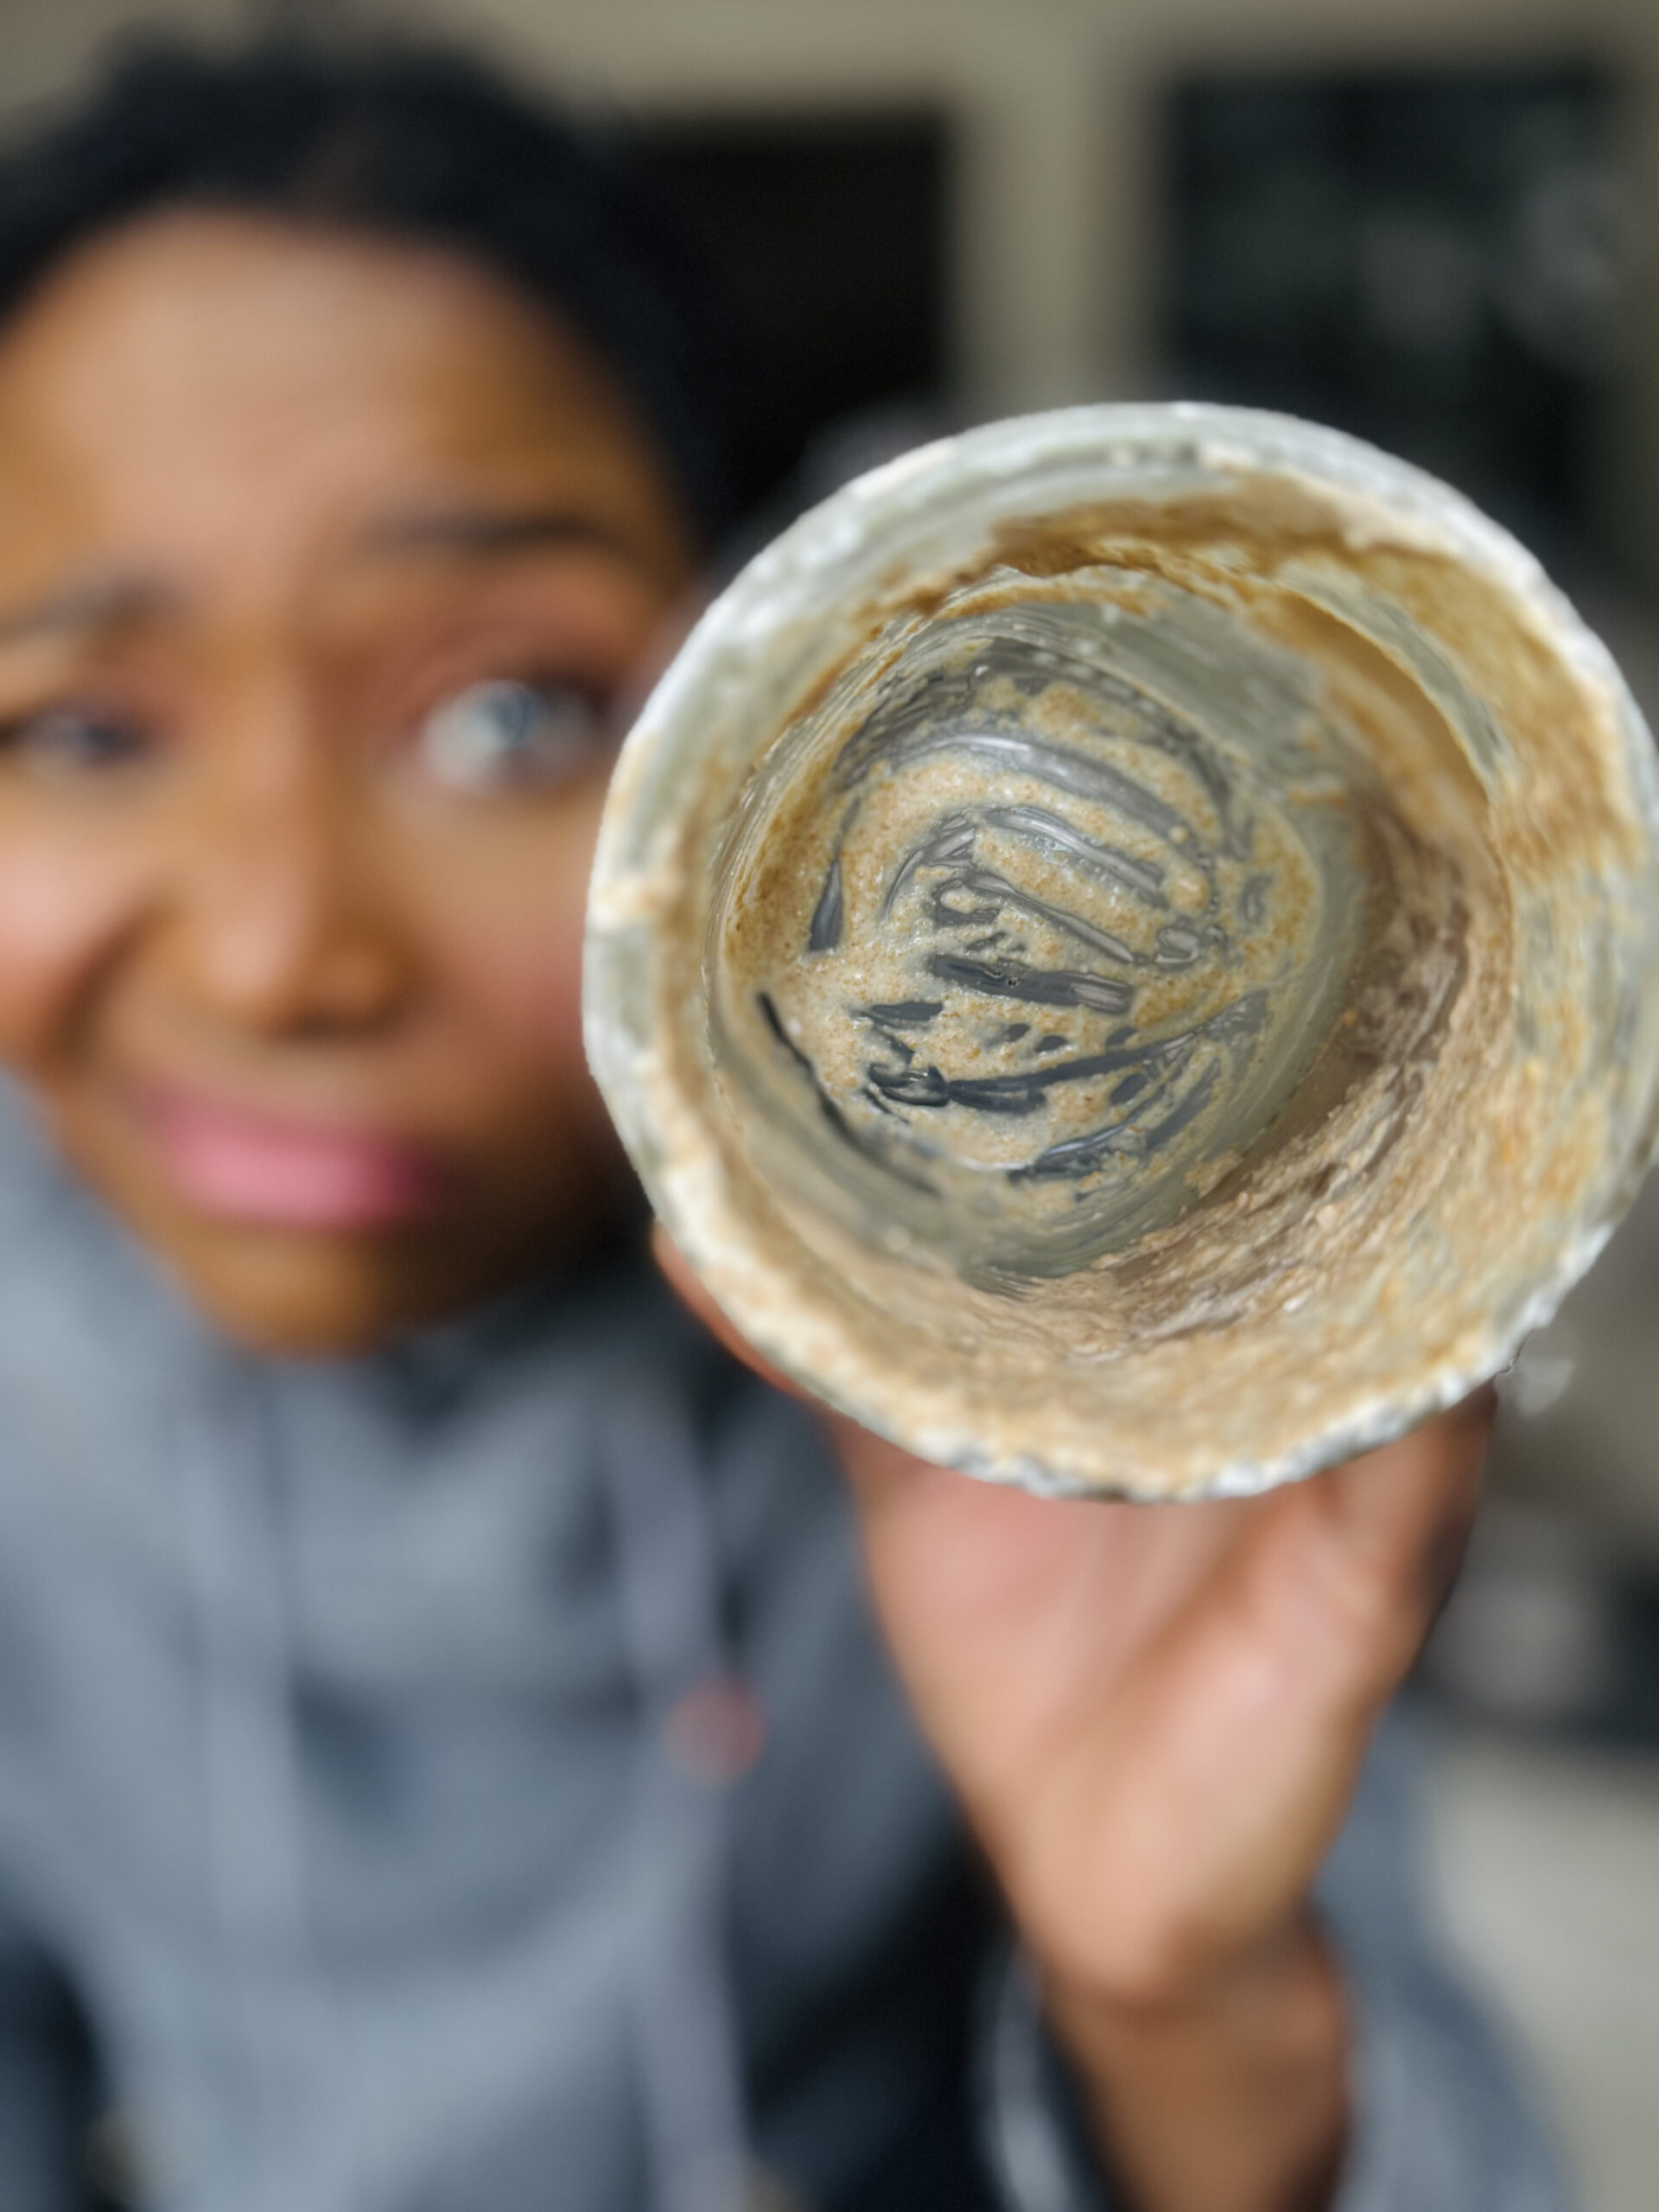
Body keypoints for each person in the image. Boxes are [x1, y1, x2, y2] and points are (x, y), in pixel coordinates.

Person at [0, 31, 1562, 2212]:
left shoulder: (1019, 1368)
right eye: (82, 726)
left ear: (742, 712)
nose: (279, 953)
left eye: (504, 714)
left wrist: (1181, 1996)